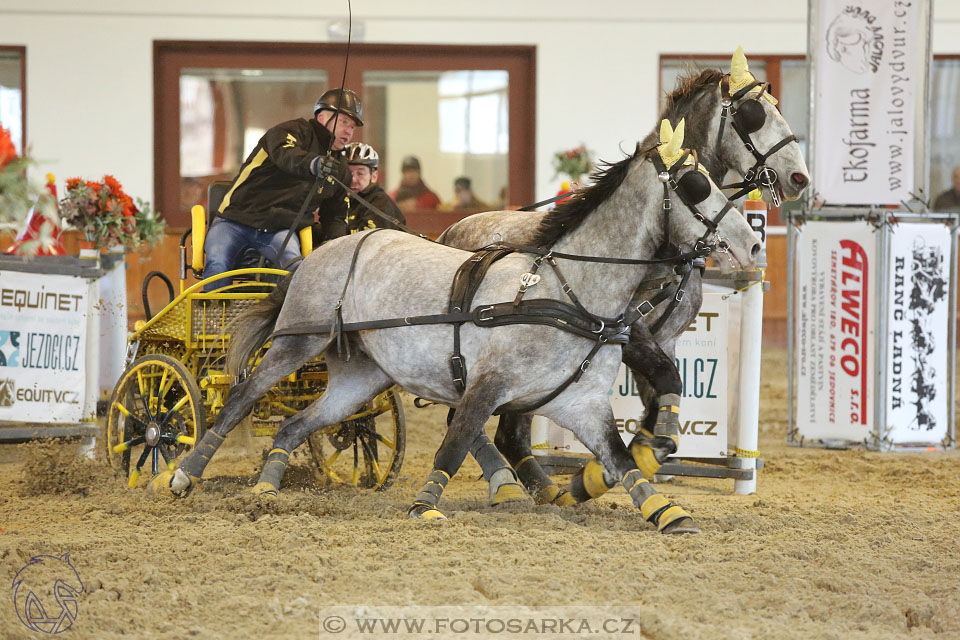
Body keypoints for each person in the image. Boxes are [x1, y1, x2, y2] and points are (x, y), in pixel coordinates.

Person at [201, 88, 362, 291]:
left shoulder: (340, 170)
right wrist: (314, 164)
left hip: (278, 230)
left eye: (353, 126)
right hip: (235, 220)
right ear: (322, 117)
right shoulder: (290, 131)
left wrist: (335, 247)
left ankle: (288, 321)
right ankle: (213, 318)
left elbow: (336, 214)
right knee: (217, 262)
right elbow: (286, 156)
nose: (349, 130)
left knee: (296, 270)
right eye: (344, 122)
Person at [341, 142, 406, 233]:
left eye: (360, 173)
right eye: (348, 173)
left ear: (374, 176)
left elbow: (366, 240)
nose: (353, 180)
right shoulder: (340, 198)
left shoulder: (381, 203)